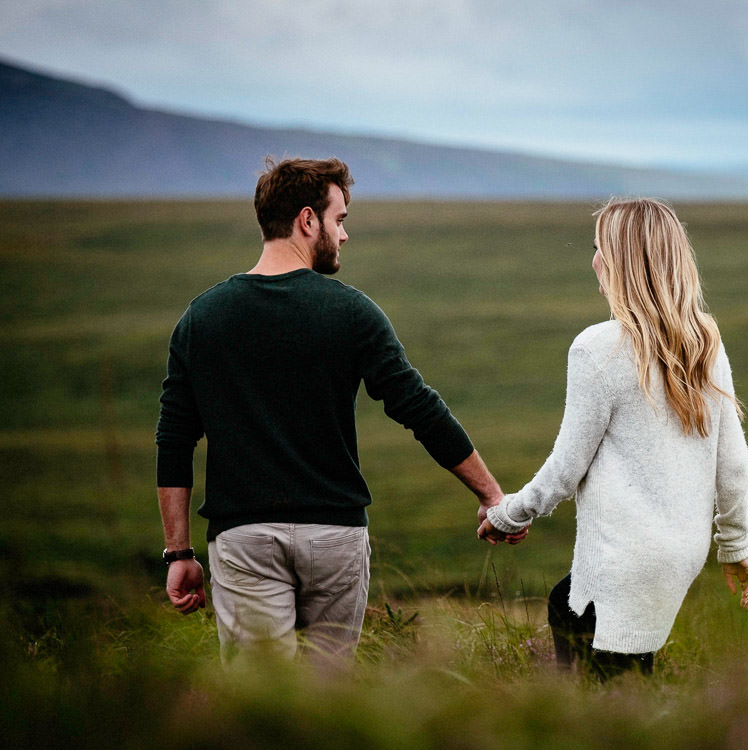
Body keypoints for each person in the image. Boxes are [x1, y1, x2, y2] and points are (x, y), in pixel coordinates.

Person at [156, 156, 523, 668]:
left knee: (263, 699)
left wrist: (179, 553)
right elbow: (417, 406)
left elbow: (174, 440)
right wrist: (490, 495)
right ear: (308, 220)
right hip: (335, 536)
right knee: (327, 699)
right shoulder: (352, 311)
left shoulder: (202, 317)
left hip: (244, 537)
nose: (345, 236)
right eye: (340, 220)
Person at [479, 197, 748, 680]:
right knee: (606, 652)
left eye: (601, 248)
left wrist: (506, 514)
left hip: (622, 564)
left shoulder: (597, 349)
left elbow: (566, 470)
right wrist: (734, 549)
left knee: (604, 702)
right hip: (677, 557)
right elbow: (733, 466)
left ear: (625, 262)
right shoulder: (705, 341)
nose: (594, 261)